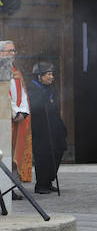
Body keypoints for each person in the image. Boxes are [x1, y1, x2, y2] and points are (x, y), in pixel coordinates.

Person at [27, 61, 66, 194]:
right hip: (41, 128)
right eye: (48, 74)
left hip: (54, 126)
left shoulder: (50, 89)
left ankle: (49, 180)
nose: (51, 77)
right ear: (39, 76)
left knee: (59, 150)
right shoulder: (32, 89)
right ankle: (41, 184)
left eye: (51, 74)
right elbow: (35, 107)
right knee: (43, 155)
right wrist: (43, 96)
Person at [3, 41, 32, 192]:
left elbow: (23, 94)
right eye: (9, 51)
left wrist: (22, 112)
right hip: (4, 119)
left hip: (17, 120)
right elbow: (3, 96)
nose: (13, 53)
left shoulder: (16, 72)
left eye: (14, 50)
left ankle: (10, 189)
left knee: (12, 157)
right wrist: (14, 112)